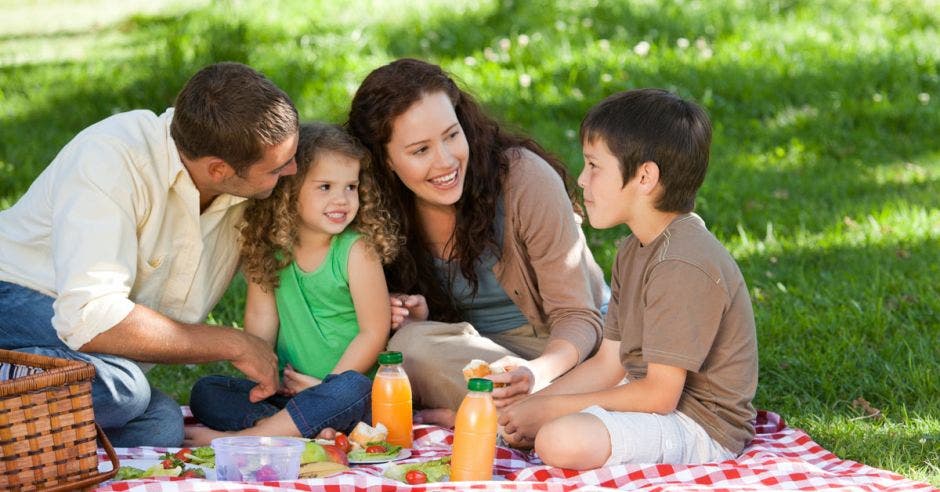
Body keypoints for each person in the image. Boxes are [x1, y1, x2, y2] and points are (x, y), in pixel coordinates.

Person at [0, 62, 299, 447]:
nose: (293, 169)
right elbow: (91, 317)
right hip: (14, 297)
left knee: (158, 425)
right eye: (278, 167)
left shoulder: (243, 172)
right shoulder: (111, 157)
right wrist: (233, 342)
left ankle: (27, 436)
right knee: (125, 389)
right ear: (219, 169)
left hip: (87, 347)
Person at [498, 89, 759, 468]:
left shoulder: (681, 263)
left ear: (645, 177)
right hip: (644, 396)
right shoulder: (633, 249)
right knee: (529, 419)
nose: (582, 180)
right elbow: (609, 362)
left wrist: (551, 410)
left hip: (700, 424)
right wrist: (536, 403)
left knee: (559, 438)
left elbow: (660, 396)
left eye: (594, 166)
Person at [346, 58, 609, 431]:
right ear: (384, 160)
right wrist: (414, 315)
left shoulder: (524, 180)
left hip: (566, 349)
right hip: (476, 357)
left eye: (452, 135)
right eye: (420, 150)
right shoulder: (372, 210)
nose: (446, 161)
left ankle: (504, 417)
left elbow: (579, 317)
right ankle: (534, 418)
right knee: (409, 347)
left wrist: (536, 373)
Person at [184, 122, 398, 445]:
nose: (342, 199)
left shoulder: (357, 250)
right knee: (207, 392)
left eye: (350, 187)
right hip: (289, 394)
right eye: (325, 187)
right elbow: (261, 320)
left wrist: (326, 386)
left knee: (354, 388)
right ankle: (290, 429)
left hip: (345, 397)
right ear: (290, 191)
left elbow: (374, 332)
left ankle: (244, 439)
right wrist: (264, 379)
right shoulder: (271, 249)